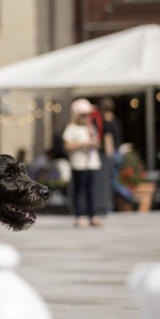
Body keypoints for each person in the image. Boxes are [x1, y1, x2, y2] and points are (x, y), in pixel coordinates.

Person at [63, 98, 103, 228]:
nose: (86, 118)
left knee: (91, 190)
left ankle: (93, 215)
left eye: (88, 115)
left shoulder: (90, 127)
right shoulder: (71, 128)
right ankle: (80, 215)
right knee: (79, 190)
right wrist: (83, 144)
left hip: (91, 163)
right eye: (83, 115)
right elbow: (67, 147)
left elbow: (98, 144)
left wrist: (94, 143)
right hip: (79, 164)